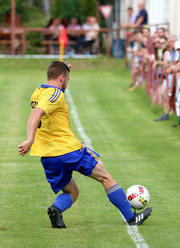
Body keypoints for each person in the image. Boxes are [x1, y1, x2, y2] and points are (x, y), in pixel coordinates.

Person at [18, 61, 152, 228]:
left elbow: (36, 110)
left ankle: (56, 209)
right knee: (105, 177)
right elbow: (36, 114)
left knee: (72, 192)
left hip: (48, 156)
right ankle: (132, 219)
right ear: (61, 78)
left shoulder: (37, 93)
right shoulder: (55, 94)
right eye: (67, 79)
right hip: (68, 150)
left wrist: (63, 68)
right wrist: (29, 139)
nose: (67, 82)